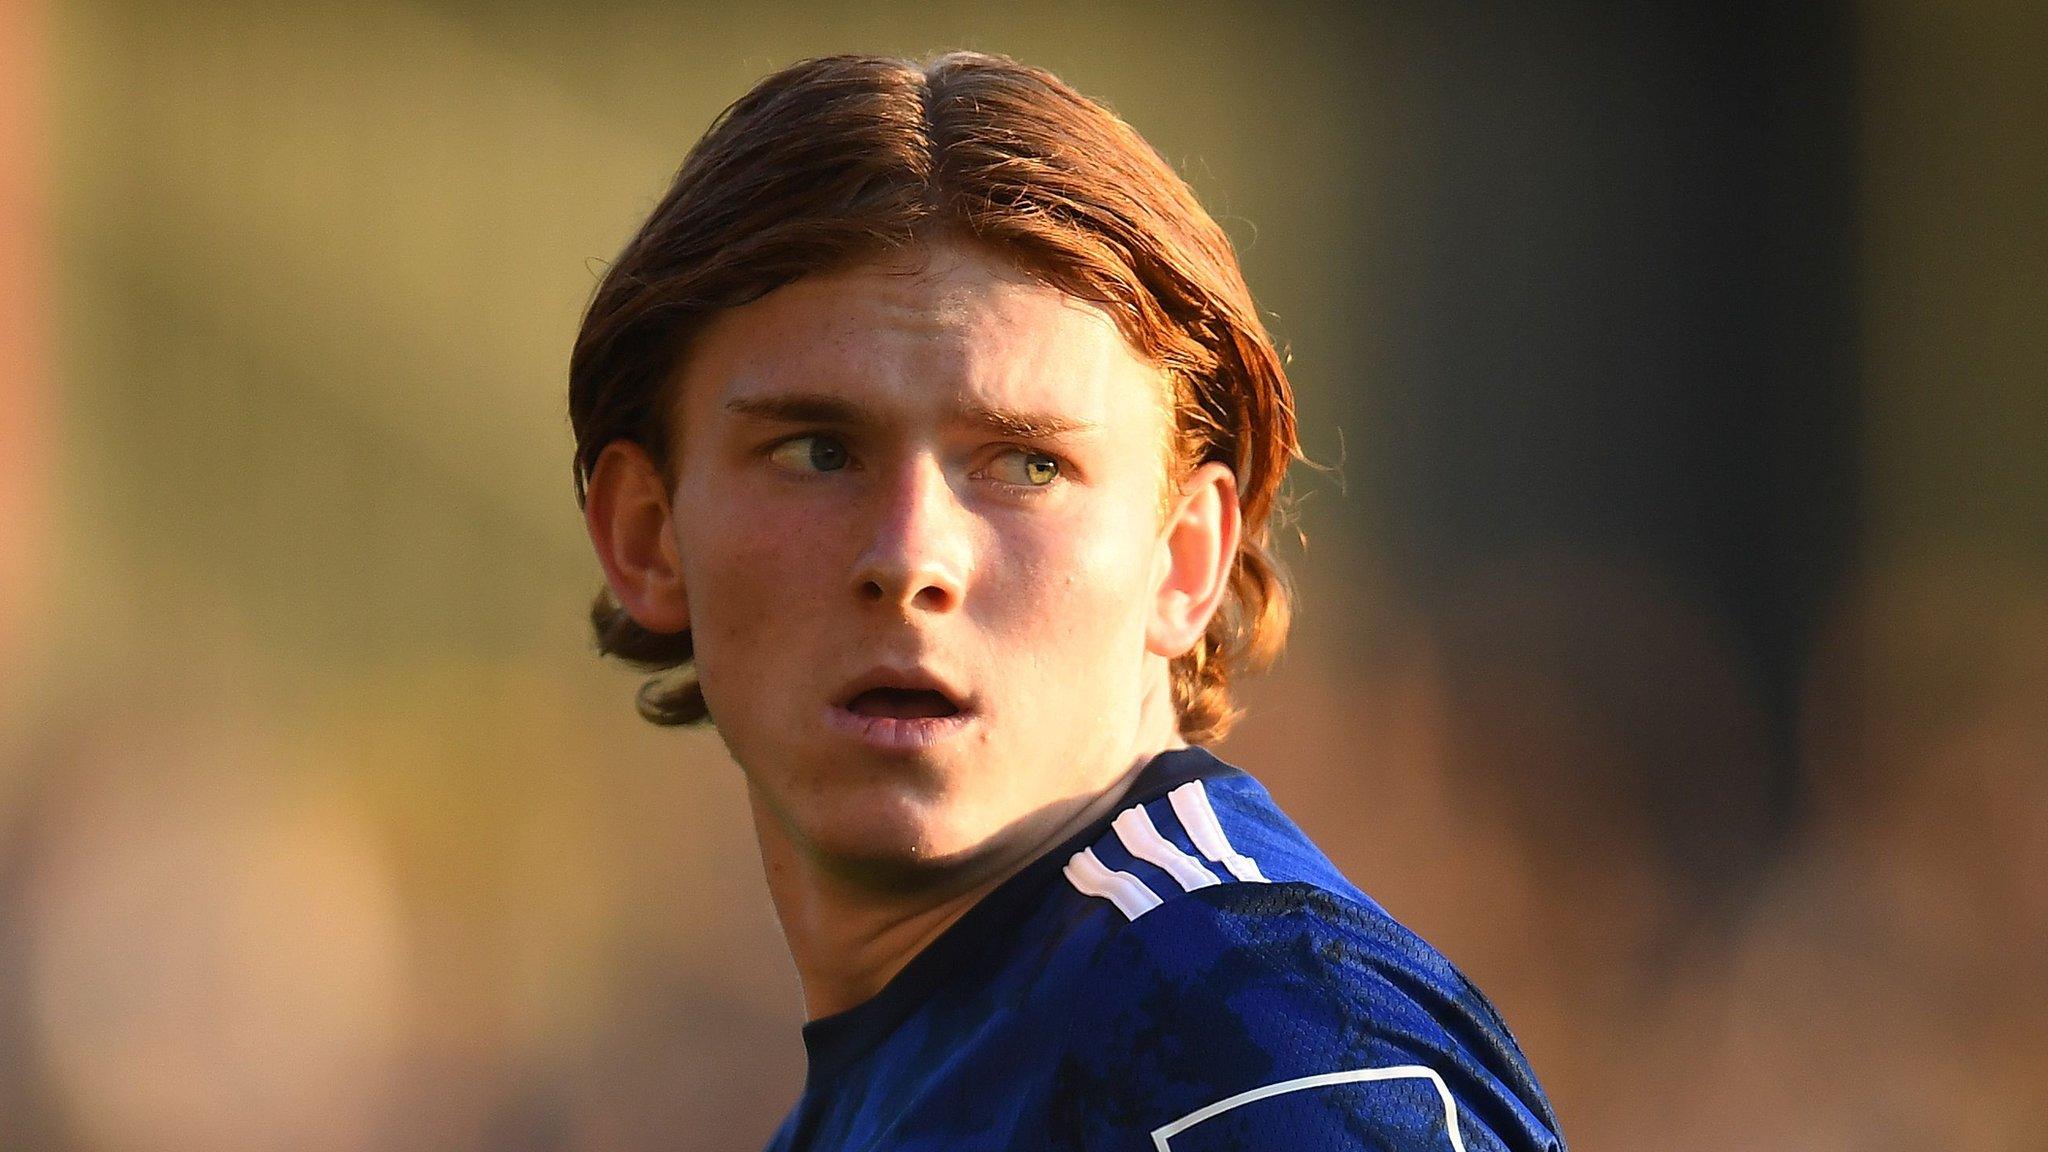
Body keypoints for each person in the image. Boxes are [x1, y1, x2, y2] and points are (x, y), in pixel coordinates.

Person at [571, 51, 1563, 1152]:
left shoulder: (1262, 1047)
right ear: (645, 535)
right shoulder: (893, 1088)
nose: (909, 557)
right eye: (817, 451)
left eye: (1025, 465)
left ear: (1184, 559)